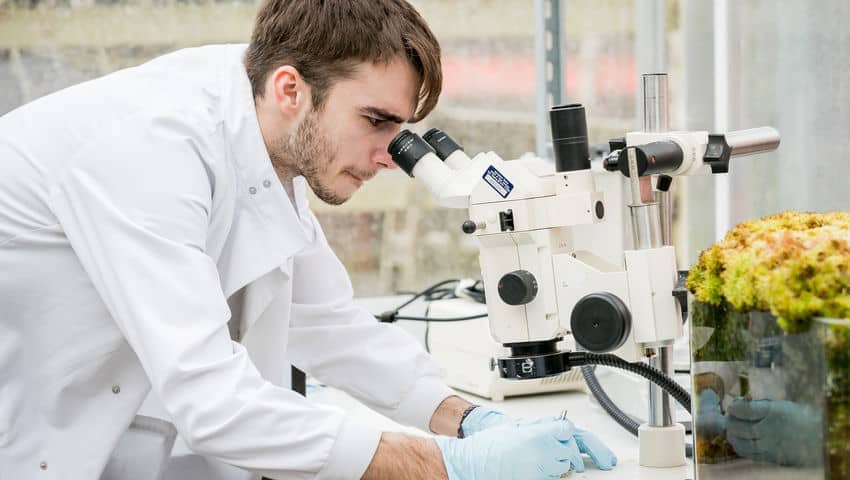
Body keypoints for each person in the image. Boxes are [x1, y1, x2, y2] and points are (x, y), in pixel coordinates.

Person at [0, 1, 617, 479]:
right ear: (290, 88)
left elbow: (330, 327)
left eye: (401, 130)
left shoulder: (264, 145)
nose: (388, 155)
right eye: (376, 121)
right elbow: (213, 402)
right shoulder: (149, 150)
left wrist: (471, 420)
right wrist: (453, 467)